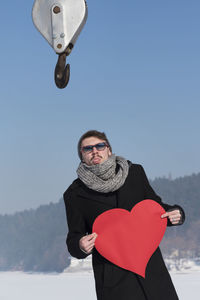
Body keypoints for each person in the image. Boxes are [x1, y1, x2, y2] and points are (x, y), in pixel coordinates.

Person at [63, 130, 185, 300]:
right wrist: (80, 245)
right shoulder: (74, 194)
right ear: (82, 156)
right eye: (88, 149)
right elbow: (74, 237)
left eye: (100, 145)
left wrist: (175, 212)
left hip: (151, 271)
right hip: (114, 278)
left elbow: (155, 207)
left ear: (109, 150)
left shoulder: (134, 173)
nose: (95, 151)